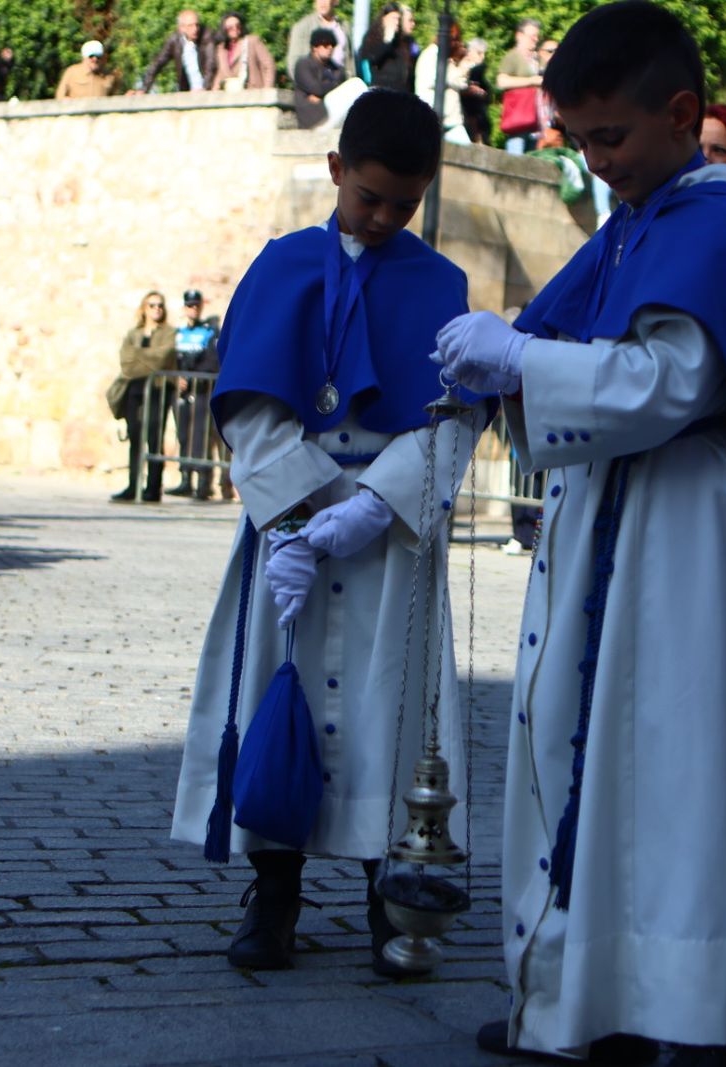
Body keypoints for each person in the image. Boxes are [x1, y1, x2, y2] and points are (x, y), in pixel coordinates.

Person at [430, 5, 726, 1062]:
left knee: (669, 773)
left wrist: (519, 361)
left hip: (670, 539)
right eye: (579, 142)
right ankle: (586, 998)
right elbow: (565, 340)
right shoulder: (639, 222)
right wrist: (498, 365)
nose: (595, 164)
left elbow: (670, 379)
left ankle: (684, 1014)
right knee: (583, 754)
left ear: (681, 115)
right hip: (608, 521)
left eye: (610, 139)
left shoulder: (716, 228)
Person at [170, 89, 485, 980]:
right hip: (291, 534)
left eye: (404, 205)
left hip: (389, 532)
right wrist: (306, 515)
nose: (383, 218)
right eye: (369, 198)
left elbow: (454, 417)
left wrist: (376, 504)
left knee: (394, 707)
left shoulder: (439, 285)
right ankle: (273, 897)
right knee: (282, 697)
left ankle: (395, 899)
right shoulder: (282, 266)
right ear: (337, 170)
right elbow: (251, 407)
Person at [112, 292, 176, 501]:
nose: (156, 308)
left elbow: (163, 358)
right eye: (152, 305)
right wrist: (149, 360)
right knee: (135, 437)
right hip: (134, 390)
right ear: (144, 308)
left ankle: (153, 487)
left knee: (154, 438)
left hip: (158, 390)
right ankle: (133, 485)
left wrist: (140, 357)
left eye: (160, 305)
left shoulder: (169, 333)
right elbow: (127, 363)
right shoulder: (134, 333)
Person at [167, 289, 221, 500]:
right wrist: (176, 378)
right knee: (183, 435)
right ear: (184, 308)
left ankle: (203, 482)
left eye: (196, 306)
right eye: (190, 306)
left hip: (200, 390)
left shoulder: (209, 332)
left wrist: (191, 377)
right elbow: (171, 360)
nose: (193, 309)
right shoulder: (178, 333)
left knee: (200, 436)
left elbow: (211, 361)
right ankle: (185, 478)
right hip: (181, 392)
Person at [413, 23, 474, 144]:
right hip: (437, 118)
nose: (455, 44)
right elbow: (457, 81)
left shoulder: (436, 55)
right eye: (454, 40)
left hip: (446, 120)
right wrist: (464, 66)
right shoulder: (434, 55)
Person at [139, 10, 218, 94]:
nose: (195, 29)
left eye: (197, 25)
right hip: (187, 92)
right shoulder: (174, 40)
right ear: (181, 28)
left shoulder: (207, 35)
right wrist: (143, 89)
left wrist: (205, 88)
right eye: (190, 26)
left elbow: (210, 64)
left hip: (207, 90)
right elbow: (157, 63)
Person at [498, 18, 543, 154]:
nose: (535, 39)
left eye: (537, 36)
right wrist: (532, 81)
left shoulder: (537, 59)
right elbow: (502, 81)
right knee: (516, 158)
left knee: (532, 159)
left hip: (535, 119)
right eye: (532, 36)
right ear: (519, 35)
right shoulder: (513, 57)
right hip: (519, 117)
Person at [287, 0, 353, 89]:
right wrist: (309, 91)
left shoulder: (344, 27)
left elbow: (350, 61)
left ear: (336, 1)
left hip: (341, 87)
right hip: (315, 88)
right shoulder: (303, 27)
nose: (322, 2)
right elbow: (293, 64)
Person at [293, 28, 345, 129]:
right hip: (312, 116)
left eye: (332, 45)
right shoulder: (303, 64)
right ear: (315, 47)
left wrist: (323, 92)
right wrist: (334, 85)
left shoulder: (336, 68)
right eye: (325, 45)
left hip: (334, 114)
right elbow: (316, 88)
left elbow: (341, 86)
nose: (330, 48)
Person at [359, 3, 415, 91]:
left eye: (398, 19)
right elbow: (371, 58)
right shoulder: (373, 37)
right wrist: (387, 41)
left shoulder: (403, 41)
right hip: (381, 89)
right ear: (384, 19)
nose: (396, 22)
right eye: (393, 18)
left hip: (401, 92)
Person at [215, 12, 276, 91]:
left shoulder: (252, 41)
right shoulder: (221, 49)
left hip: (253, 93)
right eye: (230, 27)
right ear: (224, 30)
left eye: (238, 25)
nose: (235, 29)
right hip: (229, 95)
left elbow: (269, 65)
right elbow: (220, 75)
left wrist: (267, 90)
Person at [56, 41, 122, 99]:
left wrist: (127, 97)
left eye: (98, 57)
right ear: (84, 57)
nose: (95, 59)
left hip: (102, 112)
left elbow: (116, 99)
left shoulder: (110, 76)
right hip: (78, 112)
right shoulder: (71, 72)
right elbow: (60, 97)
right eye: (91, 56)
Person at [460, 38, 492, 144]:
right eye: (479, 53)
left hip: (479, 117)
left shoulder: (479, 71)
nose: (482, 57)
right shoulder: (462, 67)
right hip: (466, 114)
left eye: (483, 53)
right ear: (470, 52)